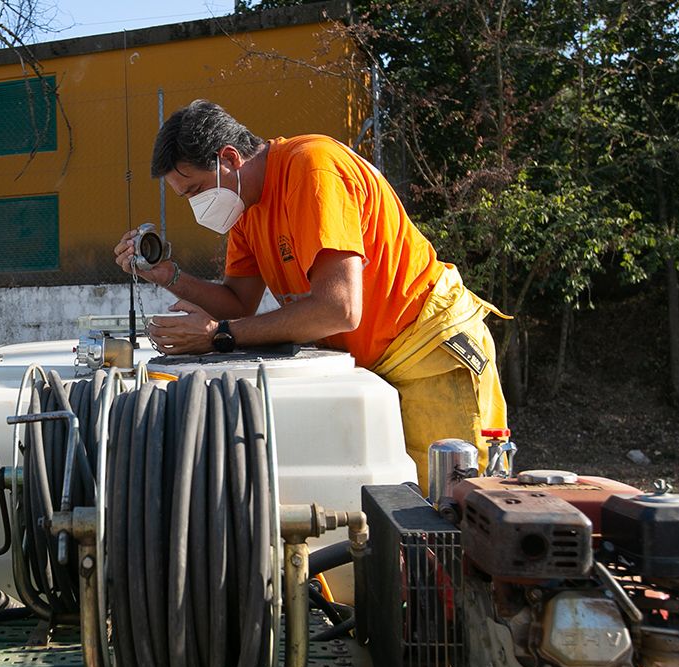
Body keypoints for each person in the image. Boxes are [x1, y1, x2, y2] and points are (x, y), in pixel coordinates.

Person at [113, 99, 507, 487]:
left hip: (428, 352)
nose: (195, 205)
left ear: (230, 159)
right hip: (374, 365)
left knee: (453, 514)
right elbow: (238, 303)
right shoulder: (246, 211)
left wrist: (219, 334)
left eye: (195, 190)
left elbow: (338, 309)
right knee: (393, 522)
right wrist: (168, 275)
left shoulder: (313, 168)